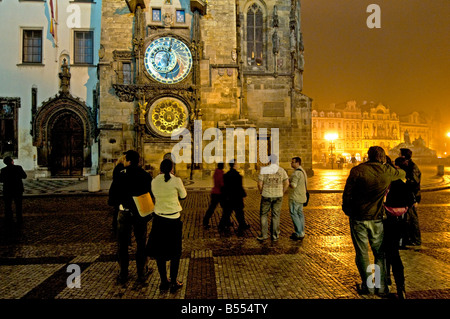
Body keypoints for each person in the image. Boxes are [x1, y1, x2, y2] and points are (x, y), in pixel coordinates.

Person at [342, 146, 406, 296]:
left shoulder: (357, 170)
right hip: (377, 218)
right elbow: (402, 173)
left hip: (358, 217)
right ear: (382, 157)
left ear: (368, 156)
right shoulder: (387, 171)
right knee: (379, 253)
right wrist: (389, 166)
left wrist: (348, 210)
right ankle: (381, 287)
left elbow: (347, 194)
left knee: (362, 253)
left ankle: (369, 286)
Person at [146, 159, 187, 292]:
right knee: (175, 252)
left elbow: (154, 194)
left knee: (160, 252)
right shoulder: (176, 180)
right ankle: (174, 281)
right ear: (171, 168)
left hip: (159, 220)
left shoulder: (154, 181)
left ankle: (164, 281)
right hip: (174, 219)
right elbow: (183, 195)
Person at [116, 150, 153, 284]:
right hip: (140, 212)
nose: (124, 161)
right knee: (141, 243)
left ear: (129, 161)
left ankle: (123, 274)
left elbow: (113, 194)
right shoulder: (145, 175)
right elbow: (150, 192)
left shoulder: (121, 175)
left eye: (125, 159)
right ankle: (142, 273)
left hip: (124, 212)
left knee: (123, 244)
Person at [383, 156, 415, 300]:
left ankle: (382, 283)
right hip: (399, 222)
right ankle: (400, 287)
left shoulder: (383, 183)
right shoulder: (402, 183)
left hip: (383, 221)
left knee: (381, 254)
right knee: (394, 254)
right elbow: (411, 201)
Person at [257, 154, 289, 241]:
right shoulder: (281, 170)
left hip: (266, 195)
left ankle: (264, 235)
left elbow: (260, 183)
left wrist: (261, 191)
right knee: (276, 215)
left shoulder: (264, 170)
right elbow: (287, 183)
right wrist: (282, 191)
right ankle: (275, 236)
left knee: (264, 214)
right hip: (278, 195)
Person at [218, 161, 250, 234]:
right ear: (234, 165)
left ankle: (222, 225)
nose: (238, 165)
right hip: (237, 197)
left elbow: (223, 187)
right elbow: (240, 187)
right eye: (237, 163)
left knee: (227, 212)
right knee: (239, 212)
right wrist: (243, 195)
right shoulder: (238, 176)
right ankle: (242, 224)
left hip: (228, 197)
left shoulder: (226, 175)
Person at [400, 148, 422, 247]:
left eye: (400, 154)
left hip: (412, 196)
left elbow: (414, 182)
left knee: (413, 219)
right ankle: (409, 238)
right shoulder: (408, 166)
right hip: (409, 196)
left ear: (404, 156)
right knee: (408, 218)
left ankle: (416, 240)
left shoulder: (413, 167)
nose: (399, 155)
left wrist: (404, 181)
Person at [0, 156, 27, 225]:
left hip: (8, 189)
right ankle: (19, 218)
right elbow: (24, 176)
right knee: (18, 205)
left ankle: (9, 218)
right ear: (12, 161)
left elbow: (1, 180)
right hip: (17, 189)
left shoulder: (3, 170)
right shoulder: (18, 167)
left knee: (8, 205)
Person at [288, 157, 308, 241]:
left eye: (293, 162)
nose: (291, 164)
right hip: (302, 196)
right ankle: (302, 232)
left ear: (297, 163)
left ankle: (298, 233)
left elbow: (293, 185)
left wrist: (287, 182)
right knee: (300, 214)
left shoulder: (296, 173)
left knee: (294, 213)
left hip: (295, 197)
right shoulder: (303, 171)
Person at [203, 162, 225, 229]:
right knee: (225, 209)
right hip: (219, 193)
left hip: (214, 192)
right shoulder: (220, 173)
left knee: (212, 208)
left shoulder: (216, 172)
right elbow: (221, 184)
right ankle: (224, 222)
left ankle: (205, 221)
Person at [108, 155, 126, 231]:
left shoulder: (118, 167)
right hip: (118, 192)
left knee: (117, 209)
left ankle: (115, 225)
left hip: (115, 191)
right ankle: (117, 225)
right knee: (118, 210)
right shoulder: (121, 168)